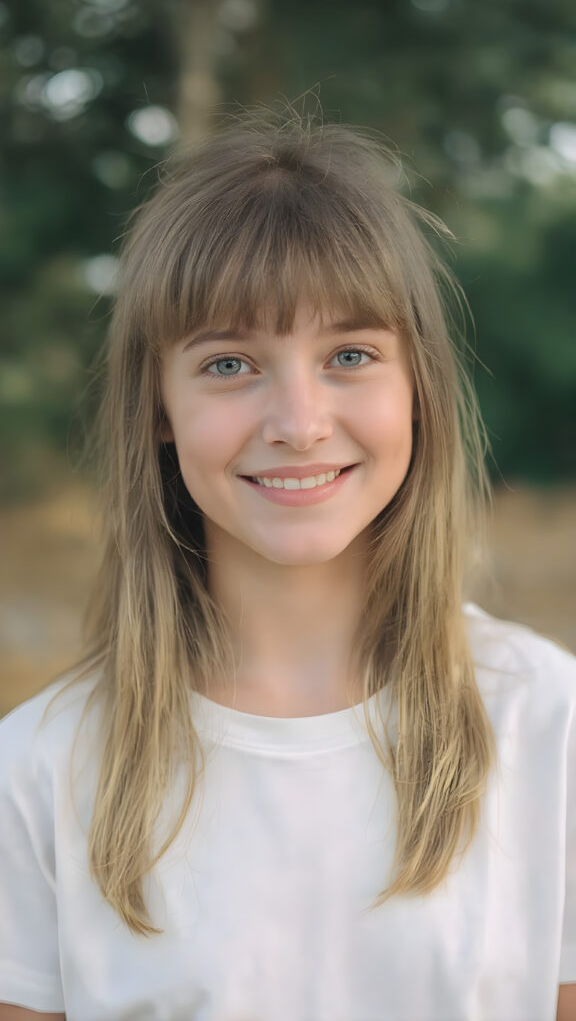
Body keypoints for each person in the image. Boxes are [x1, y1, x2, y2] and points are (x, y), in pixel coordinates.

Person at [0, 105, 575, 1021]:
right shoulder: (39, 769)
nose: (299, 421)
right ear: (159, 407)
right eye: (230, 364)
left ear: (417, 387)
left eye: (350, 354)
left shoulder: (551, 724)